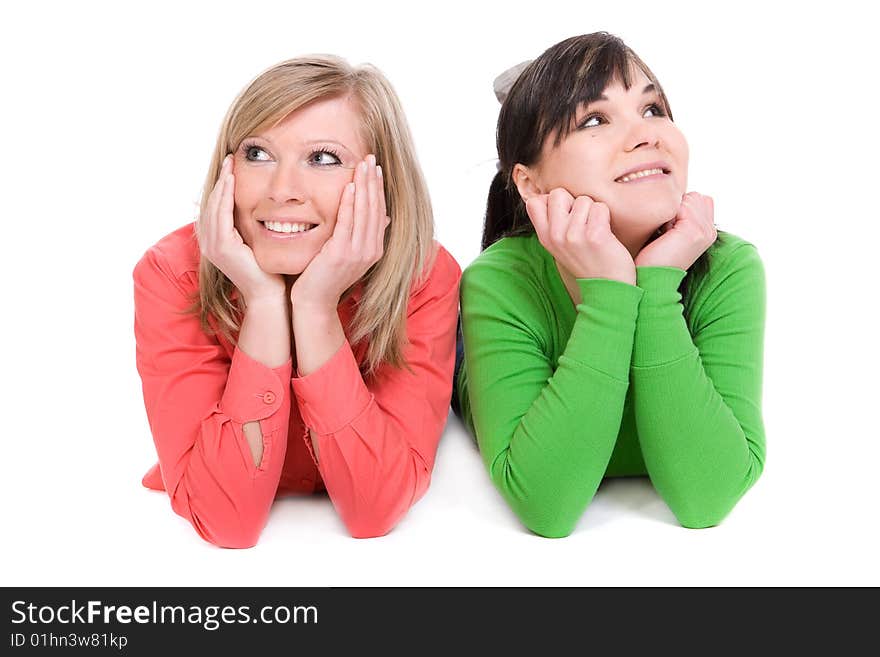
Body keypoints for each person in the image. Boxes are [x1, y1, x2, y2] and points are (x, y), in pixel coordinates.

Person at [133, 55, 461, 548]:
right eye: (258, 154)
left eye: (323, 158)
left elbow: (374, 510)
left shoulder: (423, 278)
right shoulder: (171, 273)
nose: (283, 190)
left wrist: (314, 308)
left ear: (382, 183)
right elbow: (225, 521)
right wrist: (264, 303)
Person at [455, 33, 766, 538]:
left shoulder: (730, 267)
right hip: (474, 353)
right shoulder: (497, 280)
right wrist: (609, 293)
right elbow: (547, 506)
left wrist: (657, 283)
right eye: (594, 119)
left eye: (652, 108)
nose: (647, 135)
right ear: (530, 184)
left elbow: (707, 497)